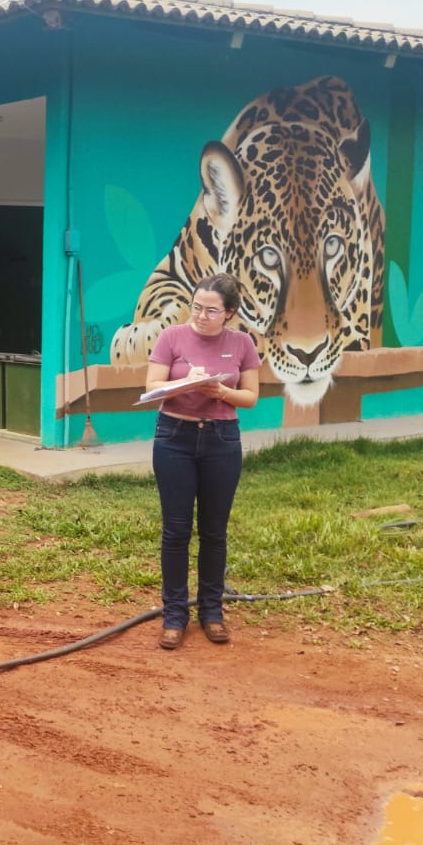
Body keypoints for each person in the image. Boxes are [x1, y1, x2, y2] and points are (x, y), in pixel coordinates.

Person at [145, 273, 262, 651]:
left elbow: (250, 397)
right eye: (196, 306)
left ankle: (211, 611)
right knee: (175, 530)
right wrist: (183, 384)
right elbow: (151, 389)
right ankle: (174, 614)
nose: (201, 315)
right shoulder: (171, 337)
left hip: (222, 440)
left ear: (229, 313)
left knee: (214, 531)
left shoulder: (242, 343)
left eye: (211, 310)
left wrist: (221, 390)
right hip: (174, 438)